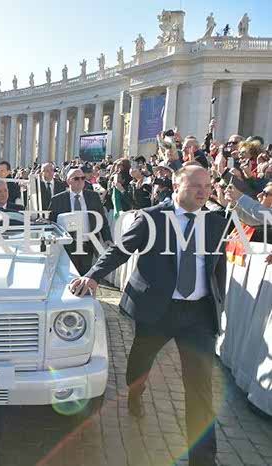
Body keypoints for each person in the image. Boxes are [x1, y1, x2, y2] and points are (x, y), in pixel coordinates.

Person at [69, 166, 227, 466]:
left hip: (198, 316)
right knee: (139, 366)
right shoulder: (152, 218)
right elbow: (120, 250)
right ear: (177, 185)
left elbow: (218, 269)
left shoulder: (216, 223)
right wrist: (92, 275)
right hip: (157, 311)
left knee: (200, 388)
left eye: (207, 186)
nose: (204, 191)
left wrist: (218, 306)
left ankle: (203, 459)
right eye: (196, 185)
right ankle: (135, 393)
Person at [48, 168, 113, 275]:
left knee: (85, 276)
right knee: (69, 276)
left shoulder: (93, 197)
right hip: (67, 247)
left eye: (83, 178)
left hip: (88, 245)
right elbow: (52, 222)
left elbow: (102, 220)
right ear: (68, 181)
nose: (80, 181)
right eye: (76, 178)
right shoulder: (58, 200)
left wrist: (107, 239)